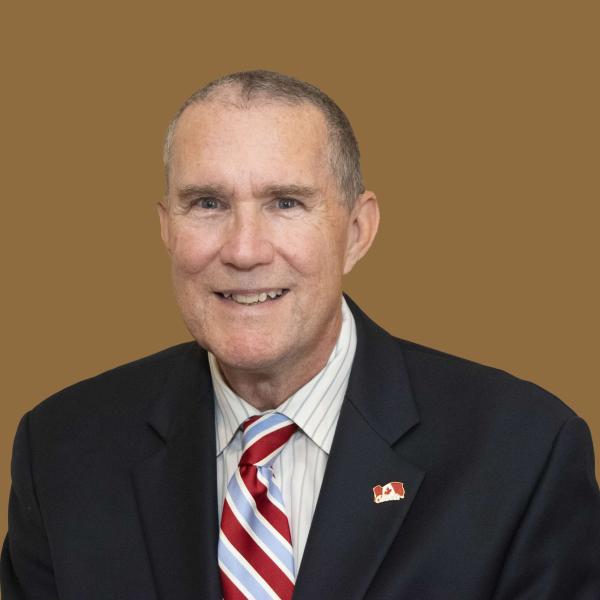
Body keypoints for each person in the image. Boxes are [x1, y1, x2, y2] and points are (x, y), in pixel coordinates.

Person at [1, 70, 599, 600]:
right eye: (207, 203)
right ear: (167, 229)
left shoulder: (523, 453)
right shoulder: (59, 452)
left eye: (286, 203)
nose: (243, 250)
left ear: (357, 231)